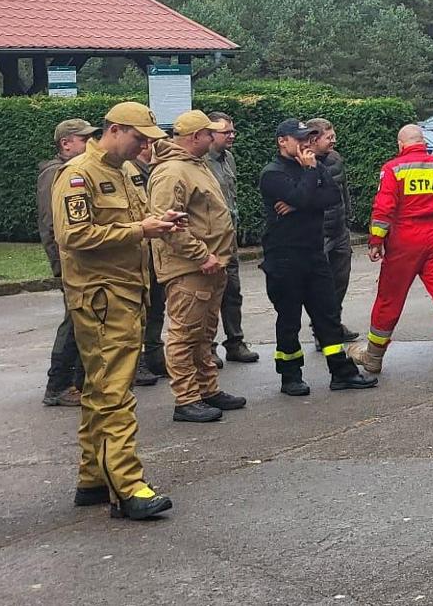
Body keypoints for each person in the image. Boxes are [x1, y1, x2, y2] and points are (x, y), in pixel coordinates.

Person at [52, 101, 185, 520]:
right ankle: (127, 486)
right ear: (113, 130)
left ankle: (93, 477)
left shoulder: (123, 172)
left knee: (99, 388)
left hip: (125, 293)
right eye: (139, 137)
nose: (144, 146)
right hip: (102, 298)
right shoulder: (78, 175)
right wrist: (139, 230)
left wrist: (160, 220)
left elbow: (138, 217)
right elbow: (73, 236)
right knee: (115, 392)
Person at [259, 119, 379, 396]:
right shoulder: (273, 173)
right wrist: (308, 180)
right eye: (298, 138)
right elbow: (304, 196)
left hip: (314, 255)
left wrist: (301, 198)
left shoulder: (315, 166)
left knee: (328, 315)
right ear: (282, 141)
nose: (305, 144)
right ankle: (290, 376)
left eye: (307, 138)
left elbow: (332, 197)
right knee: (288, 319)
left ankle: (342, 372)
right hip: (285, 258)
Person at [347, 124, 433, 378]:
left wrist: (376, 241)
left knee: (389, 298)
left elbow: (383, 209)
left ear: (400, 144)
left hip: (404, 239)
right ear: (423, 142)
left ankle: (373, 357)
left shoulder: (393, 169)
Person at [149, 111, 244, 423]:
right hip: (190, 268)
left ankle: (207, 389)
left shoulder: (195, 166)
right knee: (184, 334)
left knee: (204, 333)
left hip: (212, 265)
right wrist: (201, 255)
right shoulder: (171, 172)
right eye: (208, 133)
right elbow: (168, 224)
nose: (214, 137)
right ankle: (186, 398)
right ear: (194, 137)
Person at [39, 118, 96, 407]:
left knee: (81, 320)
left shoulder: (81, 170)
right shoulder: (56, 174)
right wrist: (59, 265)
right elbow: (52, 225)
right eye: (84, 139)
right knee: (74, 321)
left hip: (79, 263)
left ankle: (76, 381)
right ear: (66, 143)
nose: (90, 144)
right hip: (68, 262)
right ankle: (57, 384)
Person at [207, 112, 258, 364]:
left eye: (233, 131)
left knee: (232, 292)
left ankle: (235, 342)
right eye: (226, 132)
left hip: (229, 238)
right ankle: (208, 347)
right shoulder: (200, 162)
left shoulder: (229, 159)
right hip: (209, 240)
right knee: (209, 296)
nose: (232, 136)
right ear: (210, 134)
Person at [305, 118, 362, 342]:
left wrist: (347, 217)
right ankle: (322, 330)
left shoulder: (335, 158)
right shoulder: (302, 162)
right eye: (329, 137)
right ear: (314, 139)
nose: (334, 141)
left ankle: (333, 323)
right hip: (318, 234)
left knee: (340, 279)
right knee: (319, 285)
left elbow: (343, 190)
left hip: (339, 231)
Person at [129, 137, 169, 388]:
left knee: (156, 305)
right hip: (138, 248)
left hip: (154, 249)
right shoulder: (130, 170)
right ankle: (138, 361)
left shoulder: (153, 170)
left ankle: (154, 355)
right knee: (139, 310)